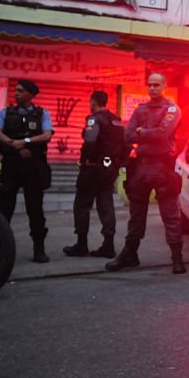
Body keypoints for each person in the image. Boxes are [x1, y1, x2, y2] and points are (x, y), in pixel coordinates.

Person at [105, 73, 186, 275]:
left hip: (162, 167)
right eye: (149, 85)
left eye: (156, 85)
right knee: (136, 215)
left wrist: (142, 133)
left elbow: (162, 134)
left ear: (164, 86)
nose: (152, 88)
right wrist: (145, 134)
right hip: (141, 167)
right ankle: (130, 254)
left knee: (170, 215)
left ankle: (177, 258)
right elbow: (127, 135)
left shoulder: (172, 109)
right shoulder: (141, 109)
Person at [0, 79, 53, 263]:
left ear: (30, 94)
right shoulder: (6, 112)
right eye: (16, 91)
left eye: (20, 91)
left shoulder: (42, 113)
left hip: (33, 167)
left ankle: (39, 250)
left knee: (35, 210)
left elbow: (47, 134)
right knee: (4, 209)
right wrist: (15, 145)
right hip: (11, 165)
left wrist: (26, 142)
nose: (16, 94)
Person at [63, 91, 125, 259]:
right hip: (109, 168)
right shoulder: (117, 121)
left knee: (82, 205)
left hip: (92, 168)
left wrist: (84, 160)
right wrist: (117, 163)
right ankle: (108, 245)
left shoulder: (94, 119)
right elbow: (126, 144)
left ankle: (81, 245)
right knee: (106, 205)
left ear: (93, 102)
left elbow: (90, 140)